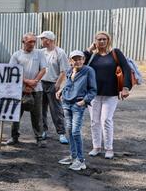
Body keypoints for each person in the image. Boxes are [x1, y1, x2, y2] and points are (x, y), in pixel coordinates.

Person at [84, 31, 132, 159]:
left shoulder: (115, 53)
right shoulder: (92, 56)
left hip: (111, 93)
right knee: (94, 121)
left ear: (108, 40)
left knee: (106, 120)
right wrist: (89, 49)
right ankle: (96, 147)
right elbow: (79, 64)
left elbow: (126, 69)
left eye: (104, 39)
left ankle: (109, 148)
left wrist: (126, 87)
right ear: (95, 41)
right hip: (94, 93)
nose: (102, 42)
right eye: (99, 39)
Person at [56, 50, 97, 171]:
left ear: (84, 60)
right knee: (69, 130)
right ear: (70, 61)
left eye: (80, 59)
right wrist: (61, 91)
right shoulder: (69, 71)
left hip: (78, 105)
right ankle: (73, 156)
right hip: (66, 104)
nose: (77, 61)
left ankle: (80, 160)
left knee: (75, 132)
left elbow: (93, 90)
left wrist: (84, 101)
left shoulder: (88, 71)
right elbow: (68, 85)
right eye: (75, 59)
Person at [6, 33, 48, 147]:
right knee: (16, 114)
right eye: (30, 42)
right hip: (19, 89)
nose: (32, 44)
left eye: (34, 41)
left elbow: (43, 69)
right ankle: (14, 137)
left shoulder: (39, 54)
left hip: (36, 89)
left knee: (37, 115)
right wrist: (26, 82)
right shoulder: (16, 55)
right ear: (23, 42)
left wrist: (33, 83)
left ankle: (39, 138)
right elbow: (12, 72)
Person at [38, 31, 69, 144]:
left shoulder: (60, 52)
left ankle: (61, 133)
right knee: (41, 109)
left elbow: (63, 71)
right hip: (41, 83)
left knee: (56, 110)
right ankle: (43, 131)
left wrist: (57, 85)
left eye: (43, 39)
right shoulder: (40, 52)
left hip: (52, 83)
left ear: (49, 40)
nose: (41, 41)